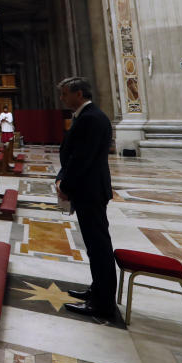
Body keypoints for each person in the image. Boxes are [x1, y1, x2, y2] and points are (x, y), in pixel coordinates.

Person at [55, 77, 116, 319]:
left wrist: (66, 185)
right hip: (89, 188)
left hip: (90, 189)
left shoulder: (91, 118)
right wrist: (63, 177)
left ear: (78, 93)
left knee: (98, 246)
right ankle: (97, 290)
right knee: (94, 246)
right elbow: (73, 155)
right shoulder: (89, 115)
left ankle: (103, 303)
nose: (62, 98)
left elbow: (82, 158)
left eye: (65, 94)